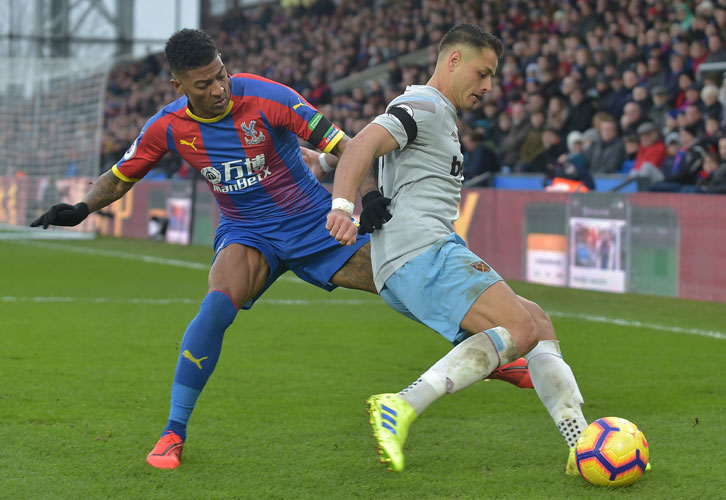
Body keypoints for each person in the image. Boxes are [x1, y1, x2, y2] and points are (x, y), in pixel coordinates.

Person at [29, 28, 529, 471]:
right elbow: (121, 176)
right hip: (248, 234)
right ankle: (173, 433)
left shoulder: (270, 98)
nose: (218, 88)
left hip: (315, 227)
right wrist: (81, 208)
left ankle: (481, 352)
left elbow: (346, 146)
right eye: (203, 84)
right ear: (179, 88)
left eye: (220, 74)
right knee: (216, 306)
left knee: (404, 277)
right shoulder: (167, 127)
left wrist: (368, 194)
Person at [325, 24, 588, 474]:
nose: (488, 86)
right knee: (519, 328)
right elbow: (364, 143)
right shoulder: (423, 105)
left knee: (537, 322)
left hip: (413, 258)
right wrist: (344, 206)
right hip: (421, 249)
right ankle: (402, 404)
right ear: (453, 61)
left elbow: (351, 150)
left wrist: (342, 173)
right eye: (483, 73)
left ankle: (582, 442)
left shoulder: (437, 115)